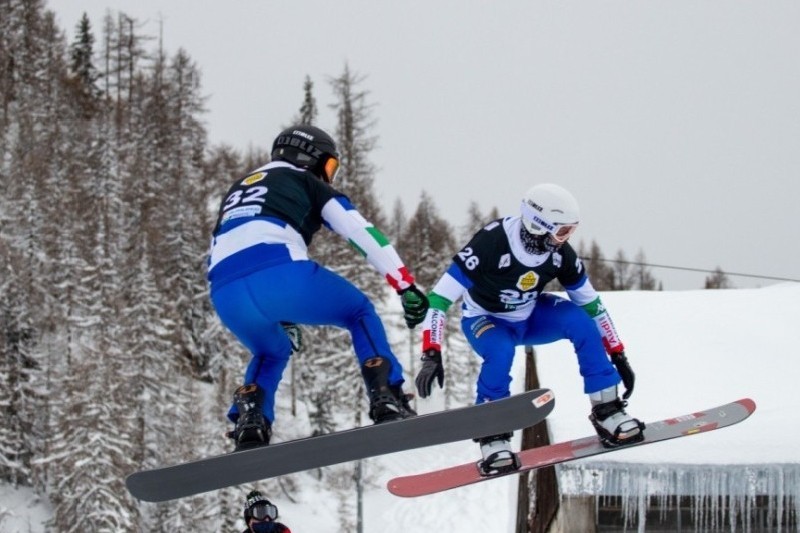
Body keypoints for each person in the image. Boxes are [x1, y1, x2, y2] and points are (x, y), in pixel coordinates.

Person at [208, 125, 429, 451]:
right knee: (359, 312)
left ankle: (250, 421)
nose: (329, 176)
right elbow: (360, 231)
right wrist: (404, 283)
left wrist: (279, 313)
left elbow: (230, 245)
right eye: (329, 167)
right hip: (279, 269)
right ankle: (387, 395)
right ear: (310, 158)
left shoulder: (238, 189)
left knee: (271, 351)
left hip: (225, 291)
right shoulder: (305, 180)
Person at [414, 183, 644, 474]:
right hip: (486, 320)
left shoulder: (561, 255)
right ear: (538, 226)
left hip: (531, 316)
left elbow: (592, 305)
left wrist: (618, 353)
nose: (566, 239)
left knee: (580, 321)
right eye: (562, 231)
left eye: (571, 231)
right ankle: (493, 433)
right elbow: (438, 299)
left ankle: (607, 409)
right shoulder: (491, 242)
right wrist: (430, 352)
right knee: (500, 351)